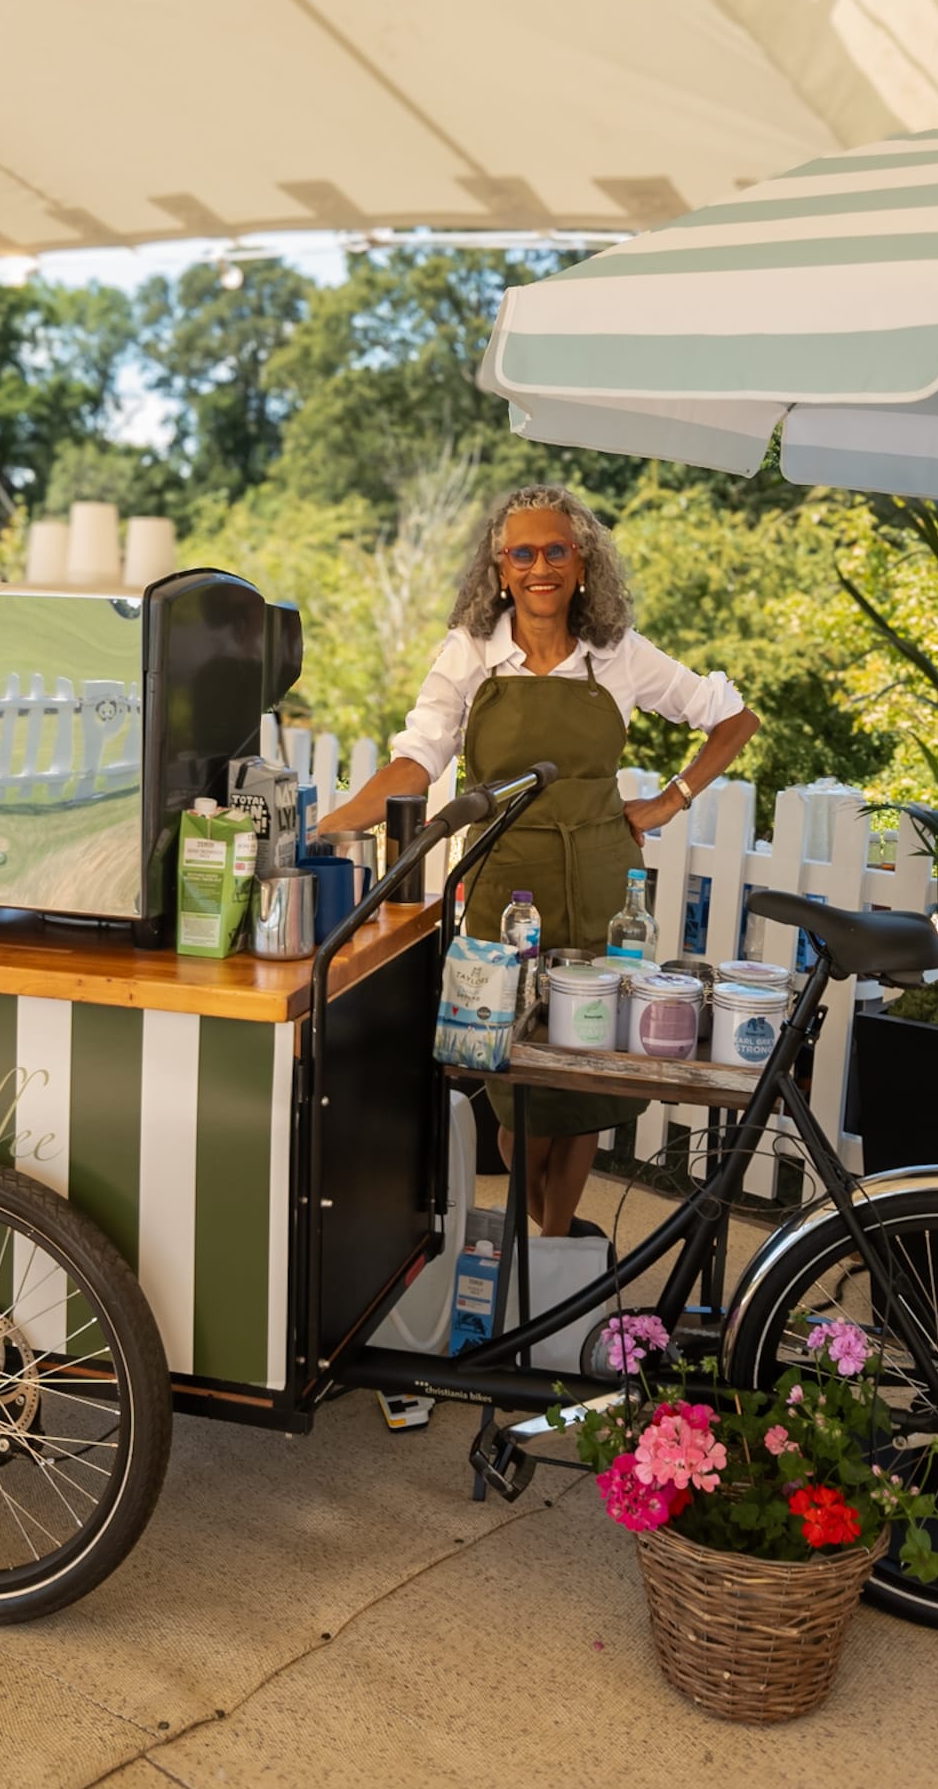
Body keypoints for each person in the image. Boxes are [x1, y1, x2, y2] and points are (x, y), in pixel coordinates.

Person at [318, 484, 758, 1237]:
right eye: (522, 553)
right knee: (514, 1076)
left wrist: (670, 799)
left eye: (556, 549)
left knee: (583, 1071)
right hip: (502, 882)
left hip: (599, 885)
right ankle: (531, 1221)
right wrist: (325, 826)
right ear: (499, 568)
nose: (539, 567)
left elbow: (732, 718)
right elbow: (416, 763)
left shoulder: (616, 652)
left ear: (581, 561)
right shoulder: (469, 653)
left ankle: (554, 1240)